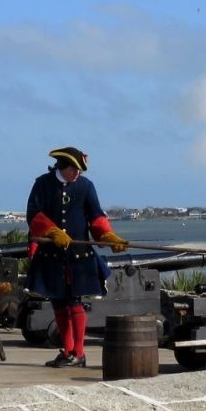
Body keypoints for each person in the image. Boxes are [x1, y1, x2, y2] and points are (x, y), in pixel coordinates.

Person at [25, 147, 128, 368]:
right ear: (63, 166)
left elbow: (96, 217)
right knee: (58, 303)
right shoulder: (42, 184)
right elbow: (33, 214)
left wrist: (108, 236)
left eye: (80, 170)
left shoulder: (86, 186)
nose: (77, 173)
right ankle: (68, 350)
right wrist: (52, 231)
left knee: (74, 303)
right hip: (51, 255)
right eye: (74, 169)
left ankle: (79, 353)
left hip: (78, 256)